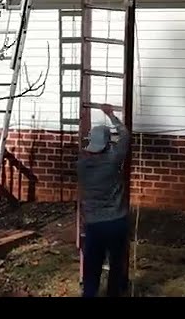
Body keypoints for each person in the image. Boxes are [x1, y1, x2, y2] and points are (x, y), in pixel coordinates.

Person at [77, 103, 131, 298]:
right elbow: (125, 136)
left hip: (94, 224)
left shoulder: (82, 165)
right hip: (116, 221)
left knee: (92, 268)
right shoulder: (113, 160)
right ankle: (113, 293)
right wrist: (111, 115)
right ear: (108, 144)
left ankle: (89, 294)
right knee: (116, 265)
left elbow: (88, 153)